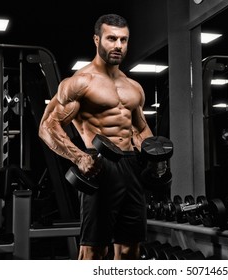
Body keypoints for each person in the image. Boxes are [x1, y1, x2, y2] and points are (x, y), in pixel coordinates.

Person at [38, 14, 154, 260]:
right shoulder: (81, 82)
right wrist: (79, 158)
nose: (118, 46)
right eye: (111, 38)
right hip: (101, 165)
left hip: (131, 166)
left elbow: (140, 129)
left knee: (130, 248)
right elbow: (48, 126)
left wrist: (155, 158)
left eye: (124, 40)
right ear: (96, 39)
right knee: (93, 249)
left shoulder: (133, 87)